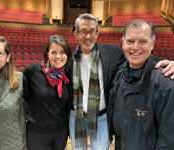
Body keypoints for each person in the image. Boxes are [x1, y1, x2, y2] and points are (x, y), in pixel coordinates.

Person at [69, 13, 174, 150]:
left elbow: (139, 58)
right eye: (83, 32)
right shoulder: (68, 61)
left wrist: (168, 63)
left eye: (92, 31)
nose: (88, 36)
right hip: (76, 116)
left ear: (97, 33)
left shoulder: (112, 52)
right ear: (76, 34)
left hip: (101, 118)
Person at [107, 19, 174, 150]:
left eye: (143, 41)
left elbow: (169, 140)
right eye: (130, 41)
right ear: (123, 43)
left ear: (152, 44)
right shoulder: (118, 70)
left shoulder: (165, 82)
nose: (135, 47)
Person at [23, 35, 72, 150]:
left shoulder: (69, 75)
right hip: (37, 133)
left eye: (62, 52)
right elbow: (15, 85)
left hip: (61, 132)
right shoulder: (33, 71)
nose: (58, 56)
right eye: (53, 52)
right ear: (47, 54)